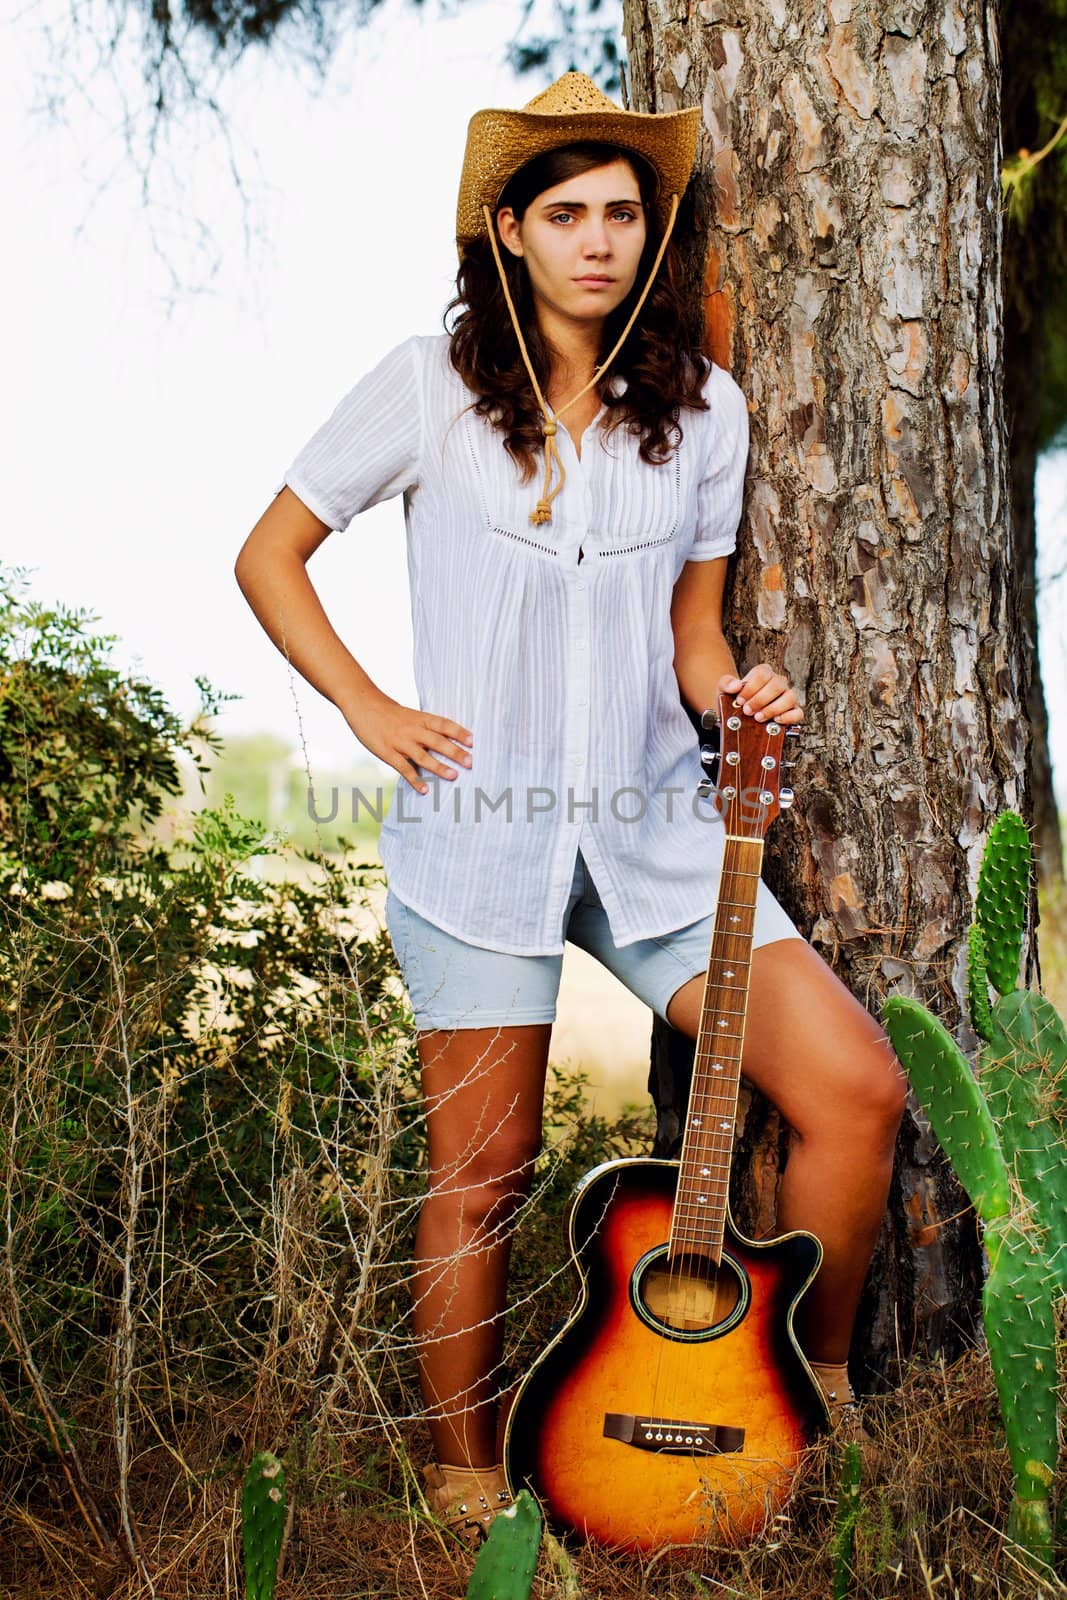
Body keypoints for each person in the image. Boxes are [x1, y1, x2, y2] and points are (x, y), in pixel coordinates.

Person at [235, 71, 907, 1549]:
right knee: (481, 1178)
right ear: (509, 231)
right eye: (568, 215)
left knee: (857, 1095)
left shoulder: (702, 411)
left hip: (661, 829)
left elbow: (695, 639)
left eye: (622, 213)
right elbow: (271, 552)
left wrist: (744, 702)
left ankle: (806, 1398)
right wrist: (367, 708)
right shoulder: (426, 386)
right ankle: (465, 1486)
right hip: (481, 832)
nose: (599, 240)